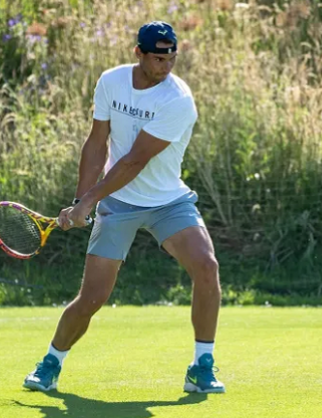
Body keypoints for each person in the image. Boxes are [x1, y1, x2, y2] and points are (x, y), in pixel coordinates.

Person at [22, 21, 225, 394]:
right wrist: (79, 201)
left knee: (207, 267)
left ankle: (202, 366)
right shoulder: (111, 82)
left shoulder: (178, 100)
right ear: (138, 54)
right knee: (93, 298)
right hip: (119, 203)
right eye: (158, 57)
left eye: (172, 57)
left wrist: (89, 201)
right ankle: (50, 363)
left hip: (168, 201)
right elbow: (97, 142)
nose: (166, 65)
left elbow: (134, 161)